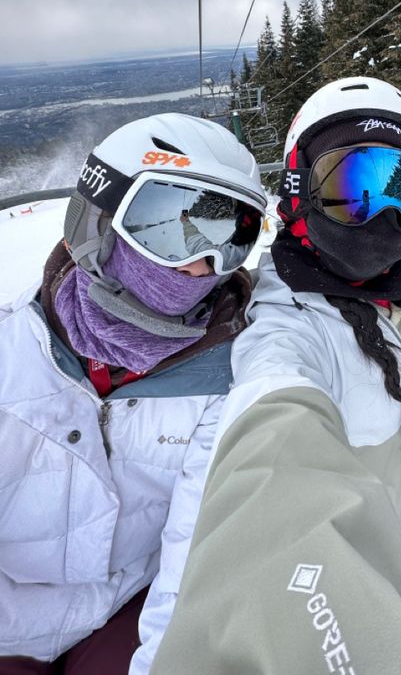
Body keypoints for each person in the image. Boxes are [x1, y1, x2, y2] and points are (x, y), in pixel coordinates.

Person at [149, 77, 401, 675]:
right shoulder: (283, 326)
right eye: (351, 188)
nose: (383, 215)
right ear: (297, 188)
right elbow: (269, 455)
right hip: (368, 572)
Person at [0, 113, 266, 674]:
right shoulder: (11, 350)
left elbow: (190, 546)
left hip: (130, 608)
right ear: (99, 219)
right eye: (170, 229)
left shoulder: (223, 371)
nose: (199, 265)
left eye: (230, 239)